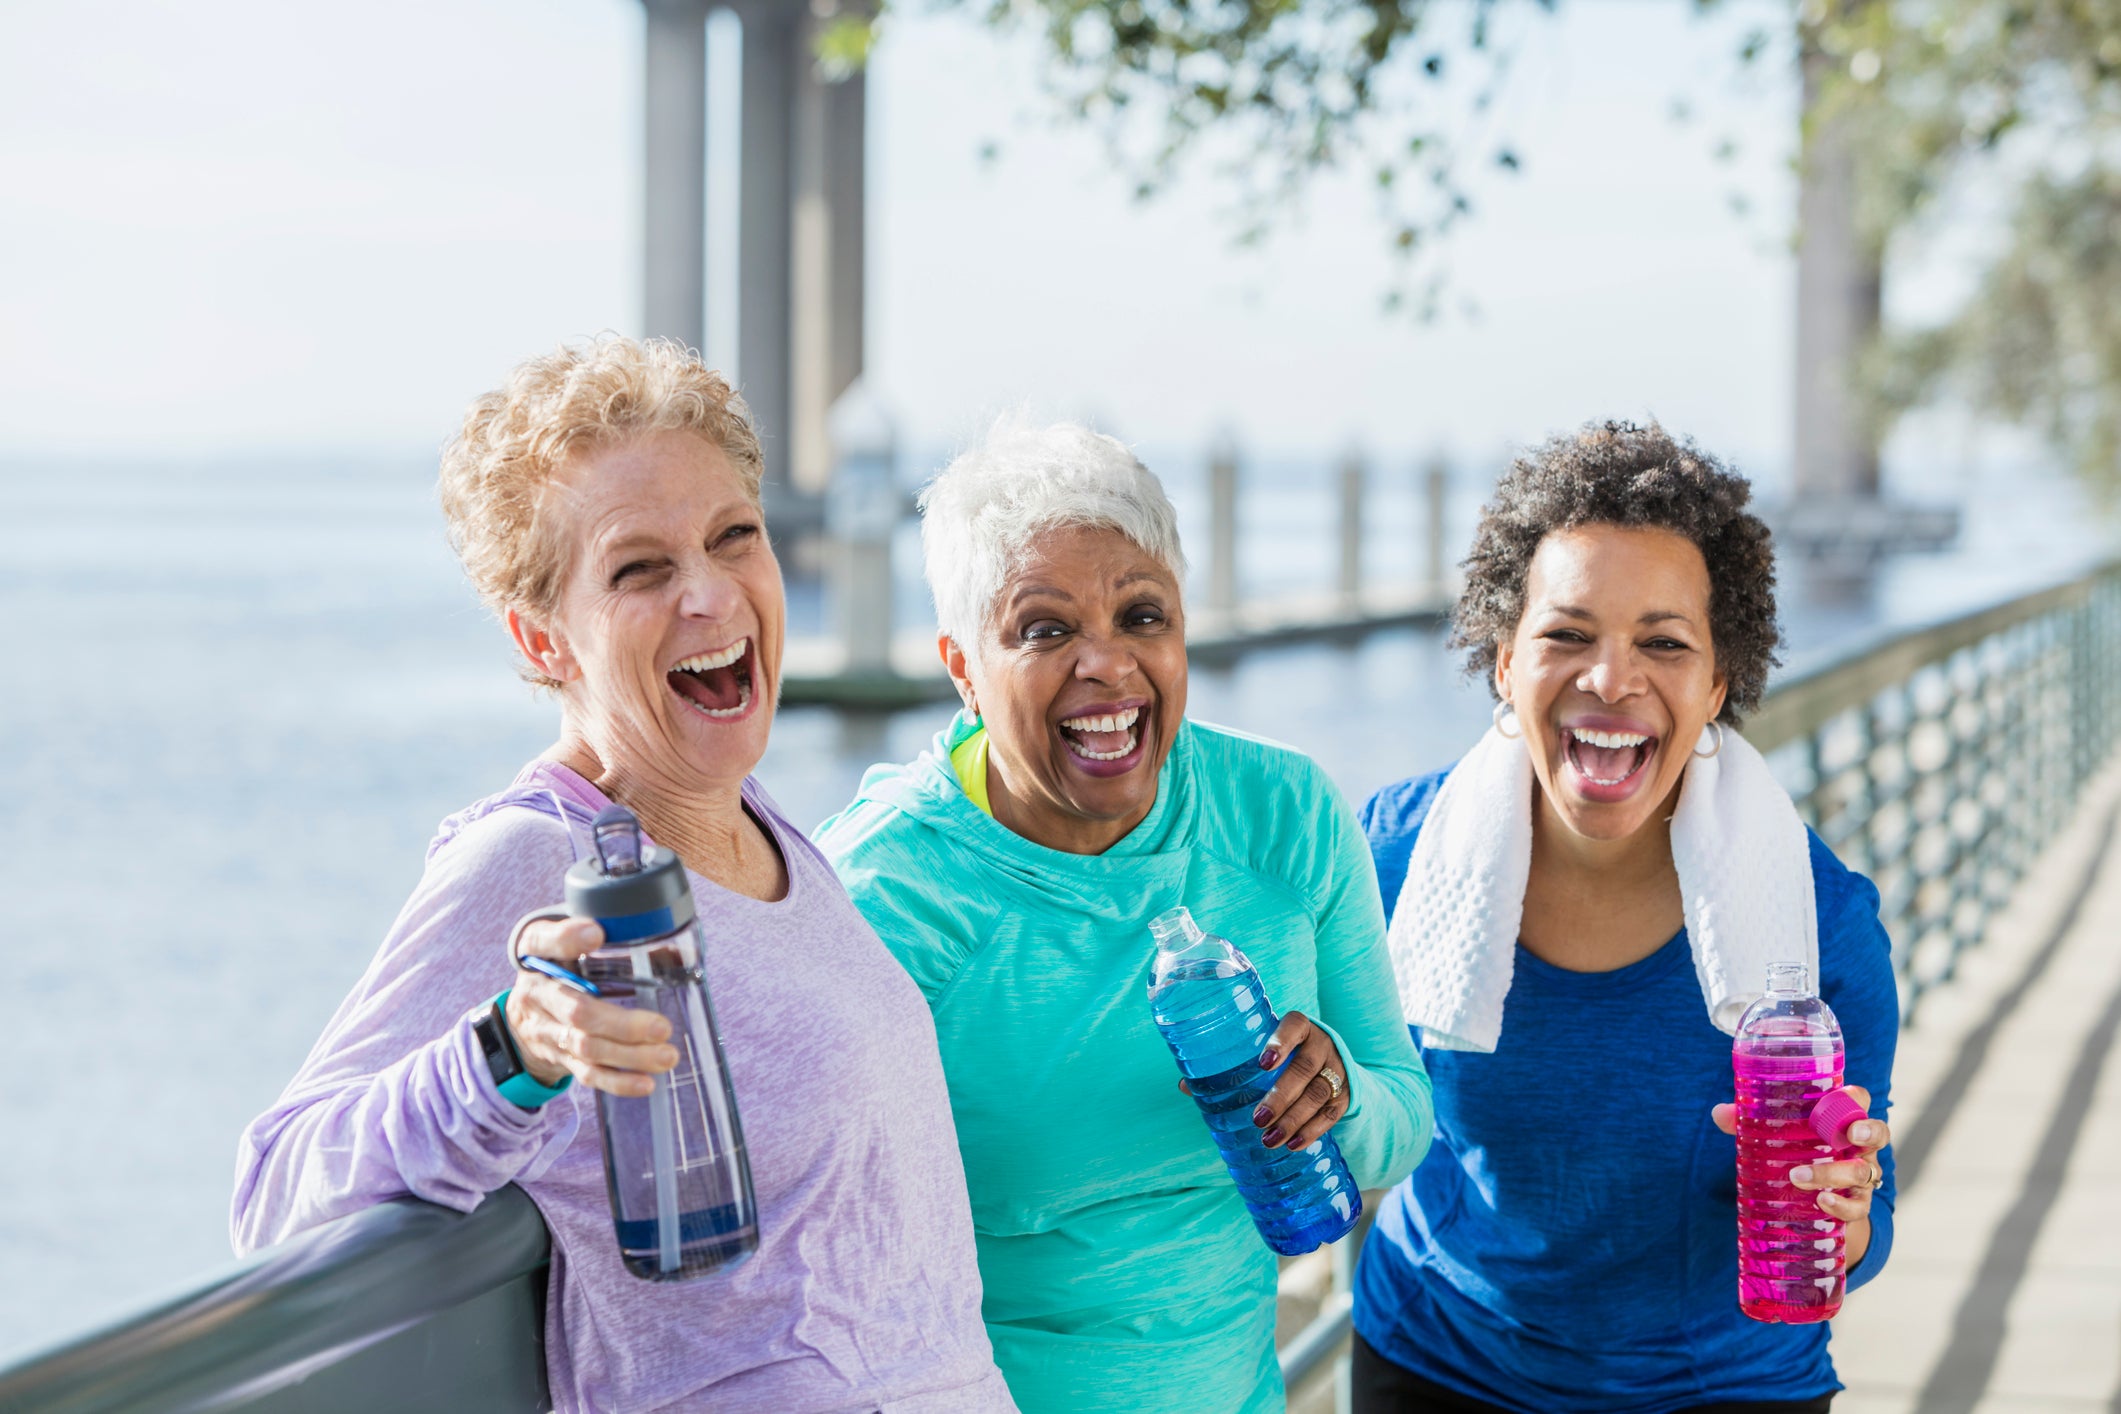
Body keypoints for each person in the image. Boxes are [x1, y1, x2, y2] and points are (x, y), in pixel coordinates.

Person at [231, 337, 1013, 1413]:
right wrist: (511, 1049)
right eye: (639, 569)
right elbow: (277, 1196)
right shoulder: (534, 858)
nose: (709, 594)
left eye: (735, 536)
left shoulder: (763, 821)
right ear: (541, 637)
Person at [811, 420, 1436, 1414]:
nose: (1106, 666)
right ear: (962, 667)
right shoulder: (883, 891)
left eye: (1143, 616)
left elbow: (1405, 1120)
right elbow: (819, 1253)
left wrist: (1342, 1096)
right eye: (1046, 629)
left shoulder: (1283, 814)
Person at [1351, 421, 1897, 1413]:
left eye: (1664, 642)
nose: (1611, 679)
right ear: (1504, 661)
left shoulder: (1825, 927)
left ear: (1719, 684)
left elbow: (1869, 1222)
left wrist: (1846, 1216)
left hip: (1720, 1388)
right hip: (1439, 1357)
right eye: (1567, 634)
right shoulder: (1388, 857)